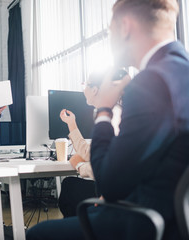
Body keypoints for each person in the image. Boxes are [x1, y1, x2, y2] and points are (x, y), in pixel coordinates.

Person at [27, 0, 189, 239]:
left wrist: (104, 109)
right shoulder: (180, 71)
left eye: (109, 31)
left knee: (37, 234)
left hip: (147, 223)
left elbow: (109, 184)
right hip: (177, 217)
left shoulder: (150, 83)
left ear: (125, 27)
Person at [57, 71, 126, 218]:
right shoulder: (114, 112)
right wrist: (72, 124)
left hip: (115, 194)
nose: (83, 89)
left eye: (85, 85)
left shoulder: (112, 115)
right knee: (70, 185)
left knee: (69, 187)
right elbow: (94, 153)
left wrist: (80, 166)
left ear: (94, 90)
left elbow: (105, 165)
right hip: (120, 191)